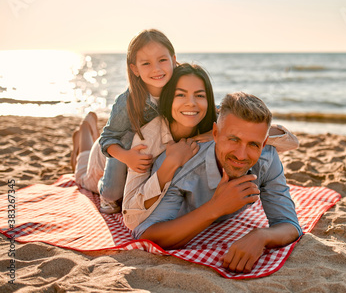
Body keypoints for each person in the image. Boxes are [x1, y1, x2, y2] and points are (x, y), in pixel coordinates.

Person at [132, 92, 302, 273]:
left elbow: (289, 224)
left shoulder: (267, 158)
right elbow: (146, 234)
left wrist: (262, 236)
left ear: (264, 142)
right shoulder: (183, 166)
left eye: (253, 144)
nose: (241, 155)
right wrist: (216, 208)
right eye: (234, 139)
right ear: (215, 133)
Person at [122, 65, 299, 230]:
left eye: (199, 95)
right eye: (180, 94)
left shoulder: (216, 117)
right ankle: (93, 140)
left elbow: (292, 142)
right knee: (111, 192)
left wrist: (238, 136)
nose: (191, 103)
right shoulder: (148, 137)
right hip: (126, 155)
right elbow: (131, 219)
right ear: (169, 98)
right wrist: (171, 163)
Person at [72, 28, 182, 213]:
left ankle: (88, 132)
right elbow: (108, 139)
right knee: (96, 186)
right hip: (110, 155)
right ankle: (84, 136)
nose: (156, 68)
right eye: (146, 63)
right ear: (135, 69)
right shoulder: (128, 101)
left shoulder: (182, 90)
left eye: (162, 60)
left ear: (173, 59)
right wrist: (126, 157)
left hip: (133, 155)